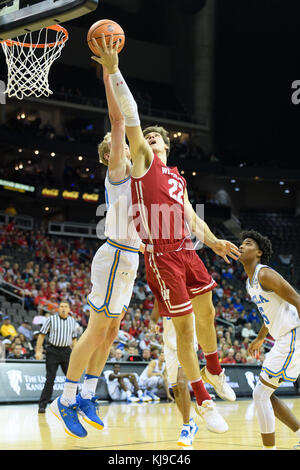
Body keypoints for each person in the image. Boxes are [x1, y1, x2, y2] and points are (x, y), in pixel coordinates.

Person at [93, 35, 239, 431]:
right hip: (160, 255)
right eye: (149, 136)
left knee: (209, 313)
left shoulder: (177, 176)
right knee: (186, 328)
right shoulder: (142, 160)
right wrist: (113, 69)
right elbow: (131, 114)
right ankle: (204, 401)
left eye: (157, 137)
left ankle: (214, 369)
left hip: (188, 250)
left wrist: (212, 240)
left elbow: (192, 218)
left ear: (169, 145)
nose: (151, 138)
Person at [50, 62, 142, 438]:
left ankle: (87, 395)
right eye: (120, 148)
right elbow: (119, 122)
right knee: (94, 330)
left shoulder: (138, 177)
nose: (127, 151)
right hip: (115, 254)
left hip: (130, 258)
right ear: (112, 155)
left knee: (111, 333)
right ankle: (65, 399)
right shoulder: (118, 169)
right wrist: (110, 72)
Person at [239, 230, 300, 450]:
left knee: (260, 394)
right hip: (284, 337)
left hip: (293, 334)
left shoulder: (264, 274)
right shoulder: (250, 283)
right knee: (267, 394)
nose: (242, 246)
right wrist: (259, 338)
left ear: (259, 252)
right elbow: (270, 314)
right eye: (241, 243)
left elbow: (297, 300)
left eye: (247, 243)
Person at [35, 301, 78, 414]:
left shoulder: (72, 321)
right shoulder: (51, 319)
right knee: (50, 379)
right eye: (61, 307)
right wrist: (38, 351)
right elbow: (42, 335)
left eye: (65, 307)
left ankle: (76, 403)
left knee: (72, 378)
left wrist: (77, 354)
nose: (63, 309)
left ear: (69, 309)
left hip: (66, 352)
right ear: (58, 309)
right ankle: (42, 405)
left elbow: (74, 339)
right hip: (53, 351)